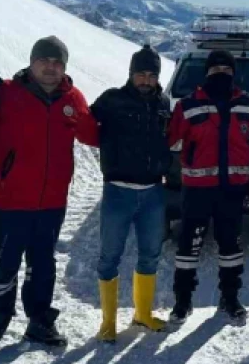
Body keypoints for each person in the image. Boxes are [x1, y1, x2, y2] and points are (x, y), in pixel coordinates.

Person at [0, 36, 99, 353]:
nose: (50, 67)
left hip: (51, 202)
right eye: (44, 60)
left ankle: (39, 321)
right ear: (31, 62)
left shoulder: (72, 98)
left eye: (57, 62)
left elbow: (92, 134)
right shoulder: (6, 94)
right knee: (2, 267)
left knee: (42, 265)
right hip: (8, 201)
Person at [167, 50, 249, 324]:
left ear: (233, 73)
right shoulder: (187, 105)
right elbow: (170, 142)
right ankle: (182, 302)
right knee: (188, 246)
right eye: (215, 69)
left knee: (230, 246)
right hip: (196, 190)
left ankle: (230, 298)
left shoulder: (247, 104)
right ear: (206, 73)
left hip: (232, 190)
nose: (221, 73)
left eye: (226, 69)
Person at [90, 44, 173, 343]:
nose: (146, 80)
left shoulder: (163, 103)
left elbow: (172, 138)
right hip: (118, 192)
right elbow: (85, 126)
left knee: (150, 255)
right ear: (131, 74)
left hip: (153, 192)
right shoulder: (111, 100)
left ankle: (142, 313)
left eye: (152, 75)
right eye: (141, 74)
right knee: (109, 256)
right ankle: (108, 322)